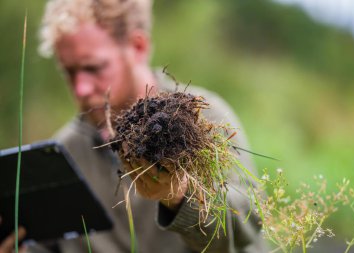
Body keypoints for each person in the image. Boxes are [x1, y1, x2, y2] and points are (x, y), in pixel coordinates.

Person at [2, 0, 267, 252]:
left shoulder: (202, 119)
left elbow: (246, 226)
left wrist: (180, 197)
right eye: (69, 71)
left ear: (138, 46)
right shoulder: (63, 154)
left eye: (93, 67)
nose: (81, 88)